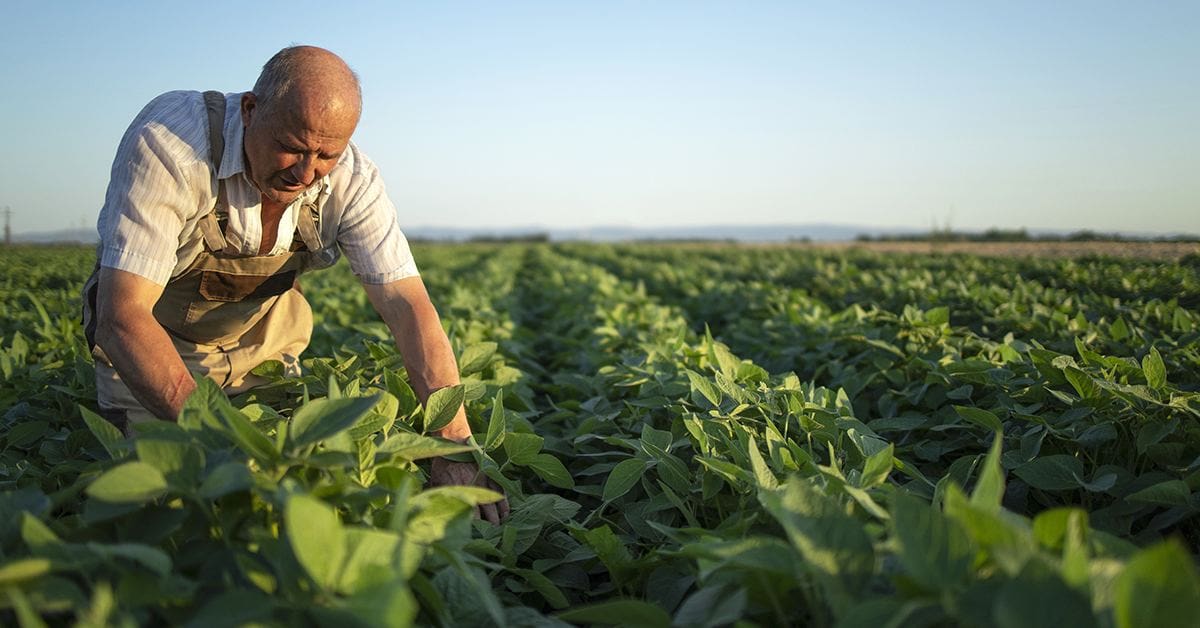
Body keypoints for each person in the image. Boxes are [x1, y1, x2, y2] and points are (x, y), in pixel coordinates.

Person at [81, 45, 508, 523]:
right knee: (170, 506)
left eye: (326, 154)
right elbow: (122, 318)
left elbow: (407, 306)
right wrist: (229, 448)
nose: (306, 173)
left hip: (264, 344)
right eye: (293, 146)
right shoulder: (172, 143)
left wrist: (451, 446)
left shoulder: (353, 180)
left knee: (306, 497)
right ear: (250, 110)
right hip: (154, 349)